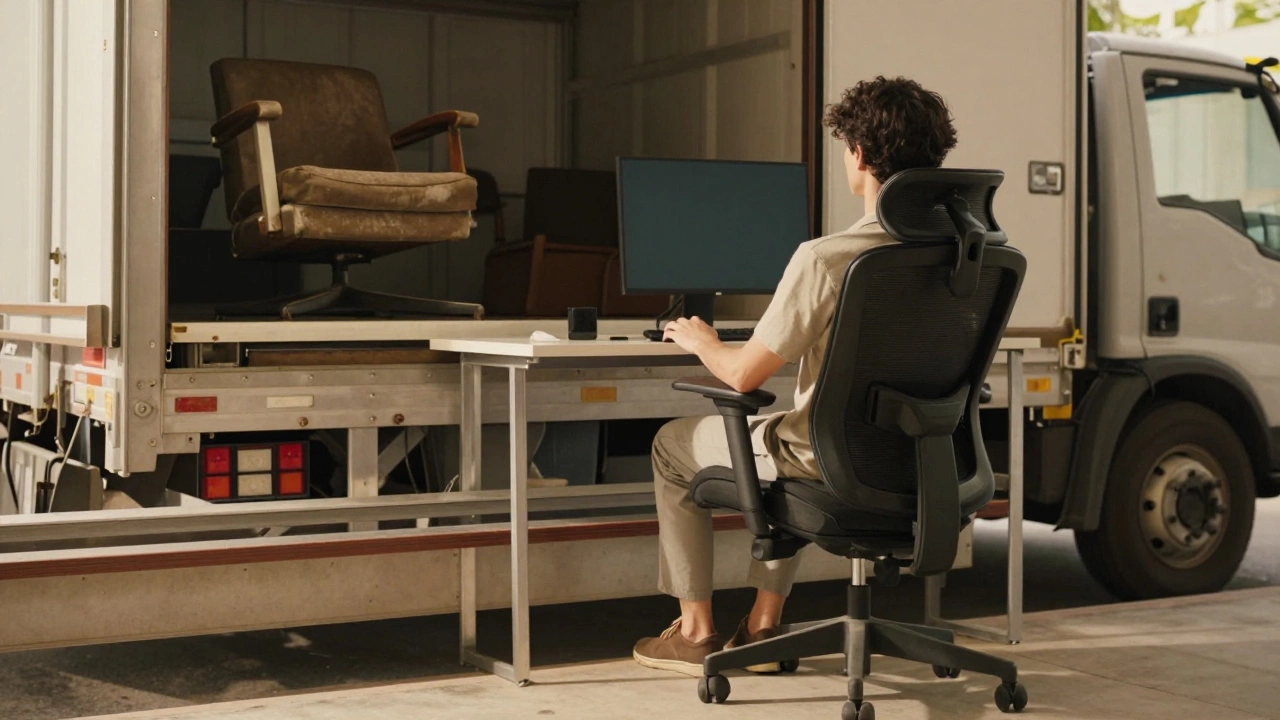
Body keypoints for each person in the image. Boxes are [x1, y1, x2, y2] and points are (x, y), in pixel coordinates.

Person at [631, 75, 958, 676]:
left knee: (671, 444)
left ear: (858, 155)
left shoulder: (829, 258)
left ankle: (697, 630)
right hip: (926, 460)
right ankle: (762, 624)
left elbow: (745, 373)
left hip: (828, 462)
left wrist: (702, 340)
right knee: (796, 430)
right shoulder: (971, 253)